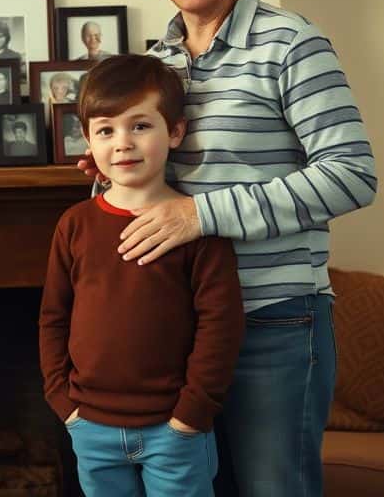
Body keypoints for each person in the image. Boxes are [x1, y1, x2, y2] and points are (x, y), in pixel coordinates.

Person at [83, 0, 377, 497]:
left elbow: (351, 174)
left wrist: (202, 214)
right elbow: (173, 177)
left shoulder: (292, 43)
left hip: (275, 320)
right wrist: (120, 176)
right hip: (177, 325)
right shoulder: (155, 61)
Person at [42, 54, 244, 497]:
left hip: (174, 428)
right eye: (105, 130)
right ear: (89, 141)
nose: (122, 143)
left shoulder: (199, 229)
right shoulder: (74, 224)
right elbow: (53, 317)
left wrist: (191, 414)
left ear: (174, 131)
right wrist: (63, 401)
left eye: (140, 126)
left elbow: (221, 328)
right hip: (90, 425)